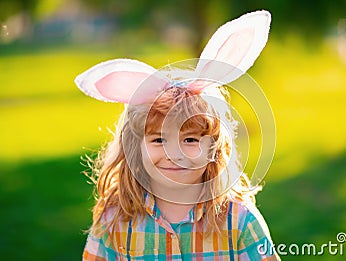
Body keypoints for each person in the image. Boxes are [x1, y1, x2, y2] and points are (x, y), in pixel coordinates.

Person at [76, 10, 280, 261]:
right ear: (135, 146)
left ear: (213, 147)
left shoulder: (239, 221)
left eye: (191, 140)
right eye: (159, 140)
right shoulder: (115, 222)